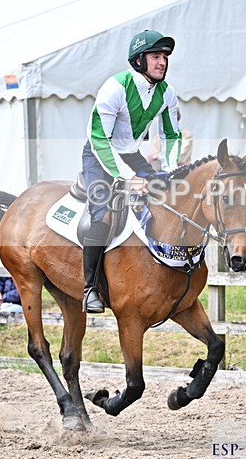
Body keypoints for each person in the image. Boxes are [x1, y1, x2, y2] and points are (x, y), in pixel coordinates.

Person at [81, 29, 182, 313]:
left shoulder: (167, 92)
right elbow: (100, 140)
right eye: (156, 56)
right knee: (101, 215)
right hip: (99, 155)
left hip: (131, 154)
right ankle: (90, 288)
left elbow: (172, 135)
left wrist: (171, 171)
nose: (162, 62)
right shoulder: (114, 88)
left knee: (168, 197)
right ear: (139, 60)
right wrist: (127, 178)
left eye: (164, 57)